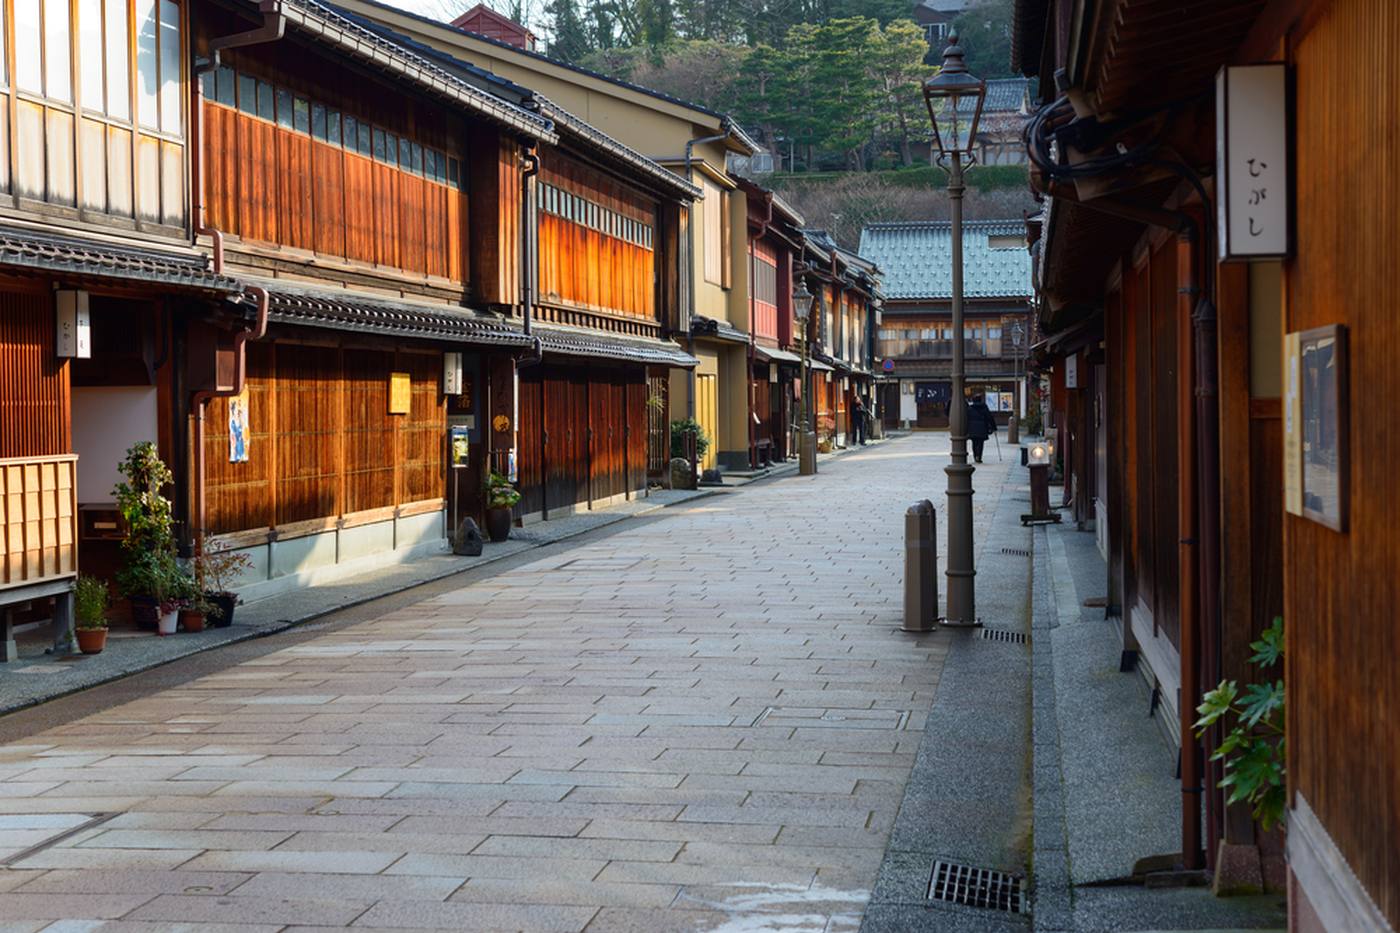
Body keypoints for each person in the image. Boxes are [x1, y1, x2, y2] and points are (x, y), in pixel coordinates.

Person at [966, 394, 996, 463]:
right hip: (982, 428)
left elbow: (966, 419)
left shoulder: (970, 408)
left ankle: (975, 456)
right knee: (980, 443)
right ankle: (979, 457)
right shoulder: (984, 407)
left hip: (972, 428)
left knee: (974, 443)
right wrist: (994, 427)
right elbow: (990, 417)